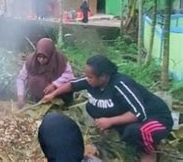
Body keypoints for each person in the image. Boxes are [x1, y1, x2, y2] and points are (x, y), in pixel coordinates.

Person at [43, 55, 173, 162]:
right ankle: (123, 135)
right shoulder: (92, 80)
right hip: (130, 115)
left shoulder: (121, 85)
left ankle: (149, 153)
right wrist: (53, 94)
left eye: (90, 77)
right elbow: (72, 85)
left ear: (104, 76)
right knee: (92, 106)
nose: (87, 79)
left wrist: (110, 121)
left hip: (154, 118)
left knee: (137, 132)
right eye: (86, 75)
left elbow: (139, 113)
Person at [16, 38, 75, 108]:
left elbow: (69, 76)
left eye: (44, 57)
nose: (41, 60)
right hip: (39, 97)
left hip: (58, 94)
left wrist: (54, 85)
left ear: (50, 54)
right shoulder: (31, 61)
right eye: (39, 57)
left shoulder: (60, 60)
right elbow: (21, 78)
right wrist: (20, 96)